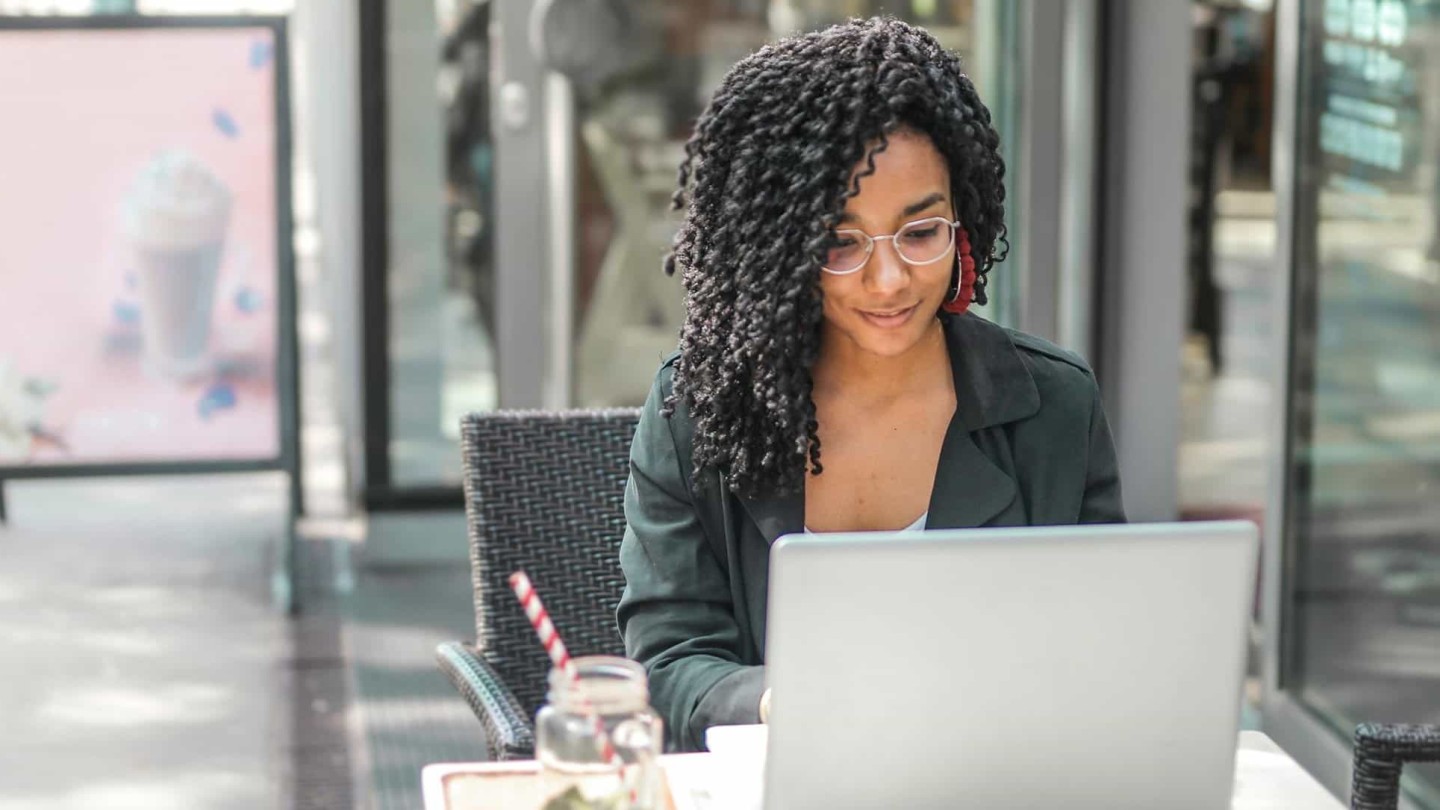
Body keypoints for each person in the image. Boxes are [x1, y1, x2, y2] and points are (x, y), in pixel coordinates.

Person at [617, 16, 1126, 753]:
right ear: (779, 249)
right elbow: (667, 667)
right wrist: (776, 701)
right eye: (839, 242)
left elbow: (1103, 653)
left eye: (921, 234)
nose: (888, 282)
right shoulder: (697, 410)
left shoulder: (1053, 406)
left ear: (965, 224)